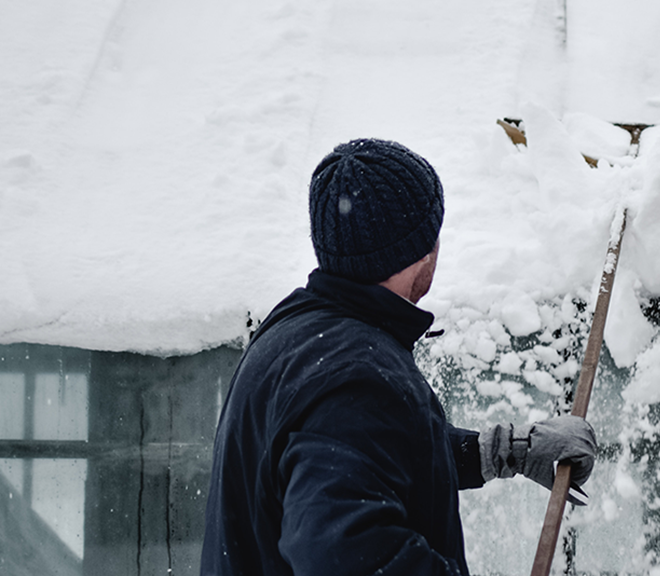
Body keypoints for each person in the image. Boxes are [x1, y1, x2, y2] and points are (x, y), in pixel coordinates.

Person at [201, 138, 597, 575]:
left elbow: (364, 455)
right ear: (423, 250)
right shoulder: (355, 378)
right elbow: (342, 554)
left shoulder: (294, 333)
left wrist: (501, 451)